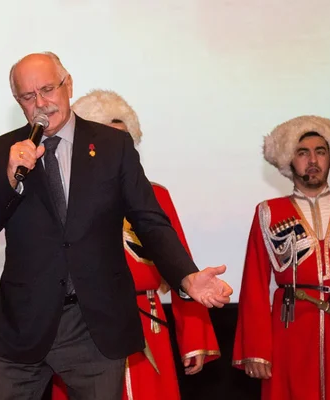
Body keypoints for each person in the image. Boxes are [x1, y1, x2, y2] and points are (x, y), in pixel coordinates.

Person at [0, 52, 232, 399]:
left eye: (47, 89)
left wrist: (186, 275)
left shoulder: (113, 147)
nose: (41, 103)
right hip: (19, 326)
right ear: (18, 101)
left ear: (68, 84)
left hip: (92, 327)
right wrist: (8, 179)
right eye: (29, 97)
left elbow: (149, 220)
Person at [50, 89, 220, 400]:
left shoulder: (156, 196)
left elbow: (180, 266)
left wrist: (194, 337)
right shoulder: (60, 199)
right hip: (84, 327)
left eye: (125, 141)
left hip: (148, 324)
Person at [232, 115, 330, 399]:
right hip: (292, 331)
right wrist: (256, 349)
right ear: (289, 161)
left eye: (320, 151)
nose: (313, 160)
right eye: (303, 153)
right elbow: (254, 283)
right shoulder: (268, 211)